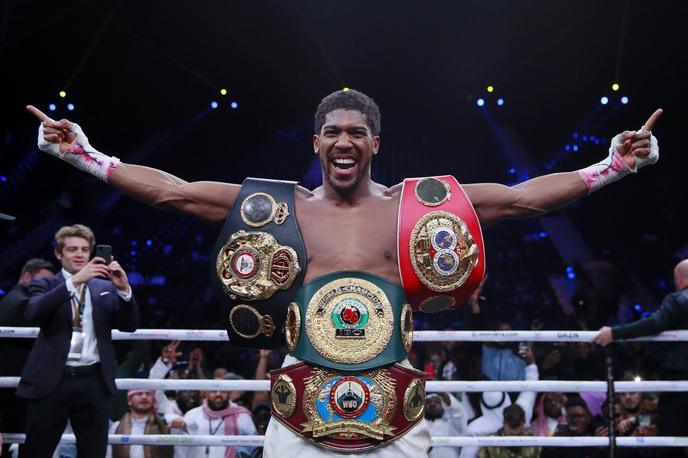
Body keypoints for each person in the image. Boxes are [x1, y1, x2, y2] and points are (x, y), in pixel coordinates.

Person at [26, 90, 662, 457]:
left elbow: (523, 198)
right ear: (317, 144)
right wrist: (86, 157)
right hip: (298, 418)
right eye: (331, 132)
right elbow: (176, 192)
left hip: (398, 419)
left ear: (374, 144)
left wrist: (612, 167)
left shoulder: (417, 208)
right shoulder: (281, 209)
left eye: (357, 132)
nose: (343, 141)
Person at [15, 224, 140, 457]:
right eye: (72, 249)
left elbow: (129, 325)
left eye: (84, 249)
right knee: (37, 451)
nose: (80, 254)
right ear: (58, 254)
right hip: (53, 380)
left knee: (93, 453)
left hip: (93, 381)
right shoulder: (45, 284)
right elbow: (34, 313)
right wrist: (73, 282)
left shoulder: (104, 286)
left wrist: (124, 291)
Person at [594, 259, 688, 457]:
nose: (628, 397)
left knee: (671, 436)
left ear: (679, 279)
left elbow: (655, 323)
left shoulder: (679, 299)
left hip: (681, 375)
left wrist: (614, 333)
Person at [0, 258, 55, 456]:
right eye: (43, 281)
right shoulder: (19, 302)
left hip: (15, 388)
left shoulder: (14, 299)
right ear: (26, 277)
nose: (48, 287)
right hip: (12, 391)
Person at [183, 374, 256, 458]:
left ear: (229, 394)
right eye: (214, 391)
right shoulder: (192, 415)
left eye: (223, 391)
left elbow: (253, 446)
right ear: (206, 393)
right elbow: (182, 447)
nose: (218, 394)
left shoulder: (242, 416)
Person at [107, 389, 187, 458]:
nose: (144, 396)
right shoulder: (116, 427)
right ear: (129, 401)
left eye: (148, 394)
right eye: (139, 393)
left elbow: (181, 453)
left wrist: (180, 429)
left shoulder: (168, 422)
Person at [426, 393, 468, 458]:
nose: (433, 404)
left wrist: (443, 393)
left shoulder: (453, 424)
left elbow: (457, 411)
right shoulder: (418, 426)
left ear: (443, 405)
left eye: (437, 402)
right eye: (428, 402)